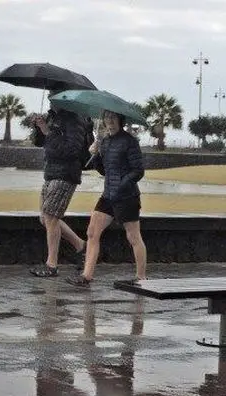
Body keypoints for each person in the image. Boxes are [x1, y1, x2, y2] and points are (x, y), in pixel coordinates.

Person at [66, 110, 146, 287]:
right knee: (92, 233)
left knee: (133, 237)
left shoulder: (130, 142)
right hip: (108, 195)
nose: (109, 120)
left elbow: (138, 171)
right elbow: (103, 170)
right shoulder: (105, 141)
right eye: (107, 117)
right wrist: (95, 155)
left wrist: (122, 185)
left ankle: (141, 278)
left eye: (113, 117)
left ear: (120, 119)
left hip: (127, 197)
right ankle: (86, 276)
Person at [29, 95, 94, 278]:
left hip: (66, 173)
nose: (51, 101)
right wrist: (39, 127)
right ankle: (81, 246)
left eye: (55, 98)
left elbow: (72, 149)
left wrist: (48, 133)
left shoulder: (75, 119)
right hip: (51, 172)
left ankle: (52, 265)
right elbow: (39, 142)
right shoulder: (53, 116)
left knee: (50, 216)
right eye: (50, 98)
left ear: (65, 98)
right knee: (46, 218)